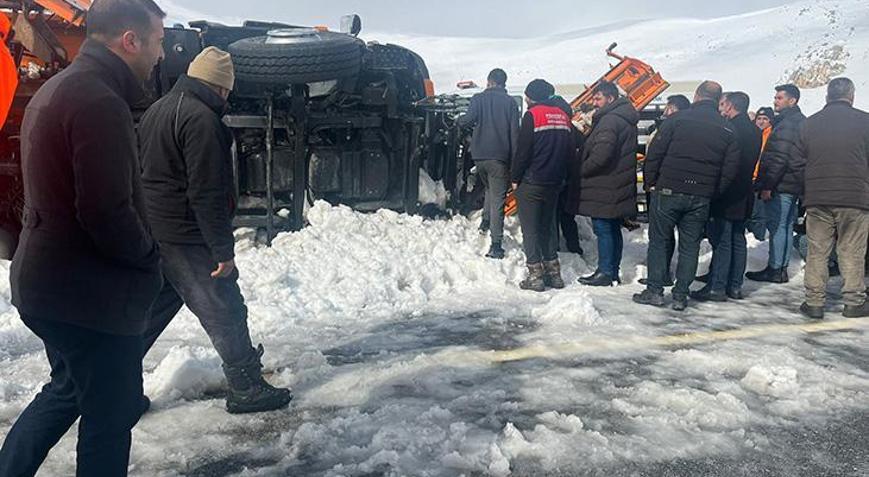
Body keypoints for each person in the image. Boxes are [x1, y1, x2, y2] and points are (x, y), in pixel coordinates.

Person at [0, 1, 166, 475]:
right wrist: (149, 260)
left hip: (50, 285)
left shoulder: (62, 87)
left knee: (68, 390)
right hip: (87, 298)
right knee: (110, 418)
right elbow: (106, 211)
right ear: (128, 40)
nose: (160, 54)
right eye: (155, 40)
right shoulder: (99, 102)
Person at [138, 48, 293, 414]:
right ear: (221, 87)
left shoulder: (158, 110)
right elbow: (207, 191)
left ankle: (117, 389)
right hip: (186, 234)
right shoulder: (201, 119)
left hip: (156, 229)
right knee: (225, 308)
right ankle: (246, 388)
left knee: (150, 313)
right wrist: (223, 252)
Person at [633, 81, 740, 311]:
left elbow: (656, 154)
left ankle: (655, 290)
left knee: (659, 242)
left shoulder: (675, 121)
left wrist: (651, 182)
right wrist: (713, 191)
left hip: (668, 189)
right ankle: (681, 295)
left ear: (696, 96)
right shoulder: (728, 129)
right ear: (718, 100)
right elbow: (730, 169)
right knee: (690, 246)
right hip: (701, 194)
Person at [797, 78, 869, 319]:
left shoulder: (809, 123)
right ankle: (854, 302)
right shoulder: (865, 122)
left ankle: (814, 302)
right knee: (852, 250)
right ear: (851, 96)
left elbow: (796, 161)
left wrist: (807, 188)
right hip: (855, 197)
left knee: (817, 250)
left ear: (827, 96)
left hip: (817, 198)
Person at [565, 81, 639, 286]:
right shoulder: (623, 118)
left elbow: (601, 156)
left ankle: (605, 271)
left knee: (604, 229)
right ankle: (611, 270)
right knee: (612, 229)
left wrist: (580, 170)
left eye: (598, 98)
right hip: (616, 182)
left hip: (605, 185)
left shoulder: (609, 121)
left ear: (611, 99)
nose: (595, 103)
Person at [692, 92, 762, 302]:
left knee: (722, 239)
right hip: (744, 190)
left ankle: (717, 285)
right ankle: (735, 285)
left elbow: (723, 162)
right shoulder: (755, 131)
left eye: (722, 105)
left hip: (726, 190)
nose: (720, 109)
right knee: (737, 238)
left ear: (730, 106)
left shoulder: (729, 129)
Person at [512, 79, 574, 291]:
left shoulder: (532, 116)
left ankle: (535, 276)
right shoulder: (563, 116)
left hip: (532, 181)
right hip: (554, 182)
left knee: (530, 230)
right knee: (548, 227)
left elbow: (523, 151)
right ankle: (554, 274)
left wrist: (515, 177)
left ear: (531, 96)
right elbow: (569, 151)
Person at [457, 68, 521, 259]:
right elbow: (514, 135)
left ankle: (485, 222)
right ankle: (496, 244)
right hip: (499, 158)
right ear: (504, 83)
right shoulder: (510, 103)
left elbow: (467, 120)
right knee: (498, 199)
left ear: (489, 81)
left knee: (489, 190)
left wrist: (458, 121)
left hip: (479, 156)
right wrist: (515, 162)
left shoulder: (478, 99)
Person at [747, 84, 806, 283]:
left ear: (792, 100)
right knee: (786, 226)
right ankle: (781, 268)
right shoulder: (798, 121)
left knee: (778, 226)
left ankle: (775, 269)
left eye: (780, 98)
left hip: (781, 184)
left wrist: (768, 186)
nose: (775, 101)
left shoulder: (787, 124)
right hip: (793, 183)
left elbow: (780, 157)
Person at [639, 94, 690, 287]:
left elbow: (655, 156)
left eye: (668, 107)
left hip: (662, 186)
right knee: (669, 235)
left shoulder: (670, 128)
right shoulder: (683, 129)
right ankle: (666, 274)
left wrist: (650, 181)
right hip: (673, 185)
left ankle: (660, 276)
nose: (665, 111)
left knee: (661, 235)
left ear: (675, 109)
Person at [747, 106, 775, 240]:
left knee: (759, 213)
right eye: (759, 118)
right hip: (750, 177)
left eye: (765, 119)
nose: (761, 122)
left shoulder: (772, 135)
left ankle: (759, 238)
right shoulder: (753, 133)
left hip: (762, 179)